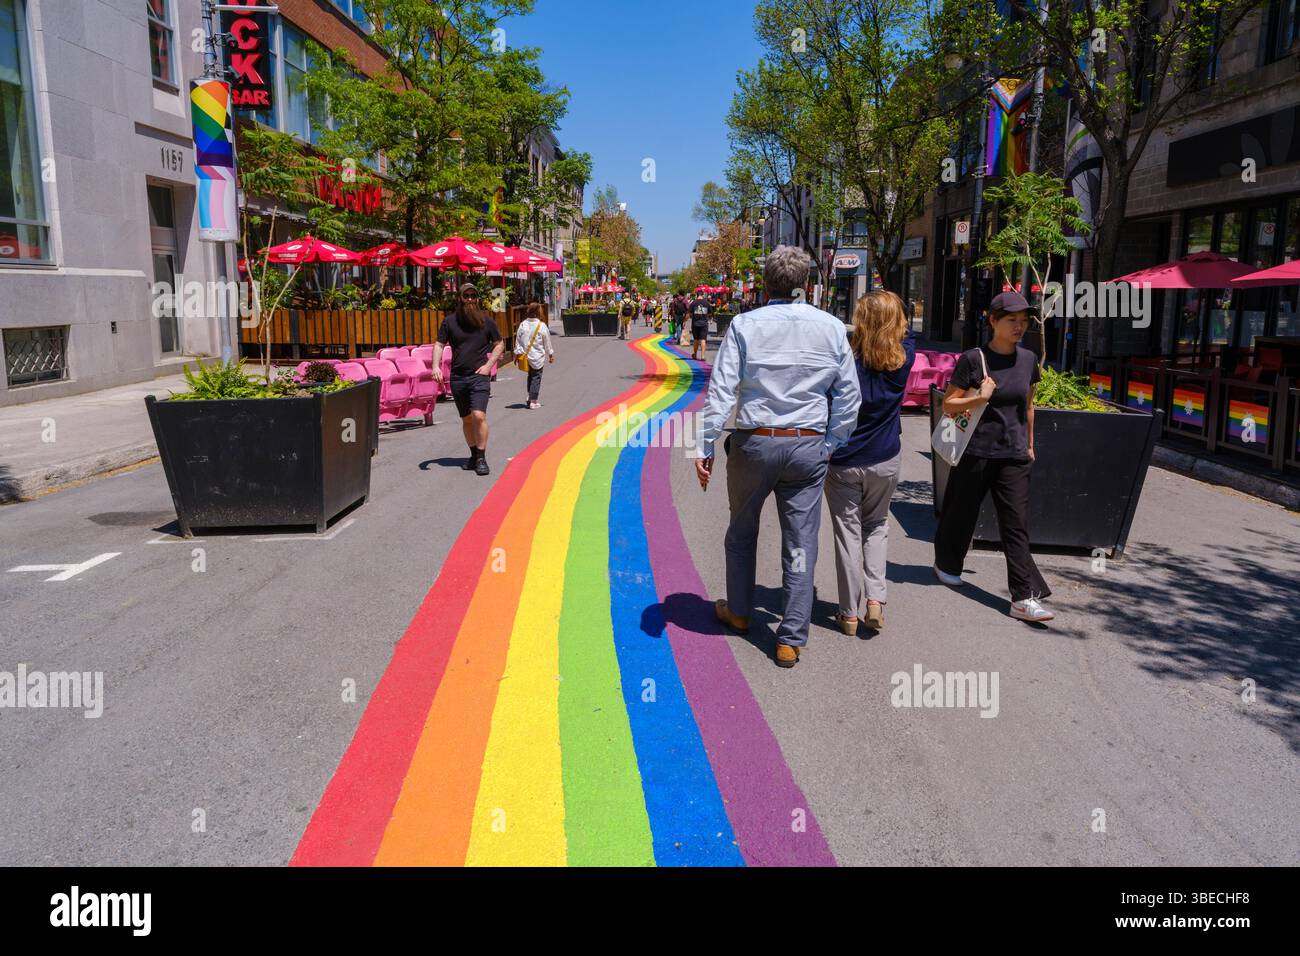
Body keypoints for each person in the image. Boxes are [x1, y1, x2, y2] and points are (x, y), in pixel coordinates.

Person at [696, 245, 861, 668]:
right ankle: (790, 637)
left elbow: (722, 390)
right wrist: (830, 442)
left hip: (755, 441)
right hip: (807, 443)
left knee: (741, 531)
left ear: (767, 283)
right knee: (801, 542)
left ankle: (739, 610)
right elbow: (848, 396)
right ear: (805, 284)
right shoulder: (830, 327)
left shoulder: (744, 325)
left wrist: (706, 445)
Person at [933, 290, 1054, 622]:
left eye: (1024, 321)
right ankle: (946, 563)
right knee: (960, 513)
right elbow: (949, 404)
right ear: (993, 321)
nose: (1019, 326)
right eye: (1012, 320)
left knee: (1016, 525)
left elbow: (1028, 406)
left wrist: (1029, 445)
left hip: (1013, 454)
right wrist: (980, 397)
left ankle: (1022, 597)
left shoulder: (1028, 360)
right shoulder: (974, 360)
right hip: (976, 450)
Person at [823, 291, 915, 635]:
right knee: (876, 525)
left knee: (847, 534)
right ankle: (875, 599)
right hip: (885, 456)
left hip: (845, 459)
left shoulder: (847, 360)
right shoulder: (904, 359)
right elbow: (907, 332)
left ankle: (848, 612)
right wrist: (893, 313)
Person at [433, 282, 505, 477]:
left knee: (478, 416)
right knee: (466, 419)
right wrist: (435, 366)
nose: (470, 299)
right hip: (457, 377)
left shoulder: (486, 321)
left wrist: (489, 366)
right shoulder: (449, 322)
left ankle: (481, 458)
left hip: (479, 377)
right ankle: (473, 455)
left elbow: (500, 344)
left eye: (473, 296)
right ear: (460, 298)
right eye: (467, 296)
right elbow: (439, 344)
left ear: (478, 299)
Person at [513, 302, 555, 410]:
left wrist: (517, 354)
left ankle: (529, 396)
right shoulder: (542, 325)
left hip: (525, 356)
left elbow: (518, 340)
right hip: (537, 356)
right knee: (536, 377)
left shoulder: (523, 324)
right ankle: (533, 401)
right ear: (538, 312)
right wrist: (550, 354)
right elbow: (547, 342)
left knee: (530, 376)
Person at [688, 293, 713, 360]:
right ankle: (702, 356)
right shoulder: (706, 303)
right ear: (703, 295)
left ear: (697, 295)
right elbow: (710, 313)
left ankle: (695, 354)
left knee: (696, 339)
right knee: (703, 339)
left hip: (695, 323)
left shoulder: (694, 303)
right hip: (704, 324)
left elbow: (689, 312)